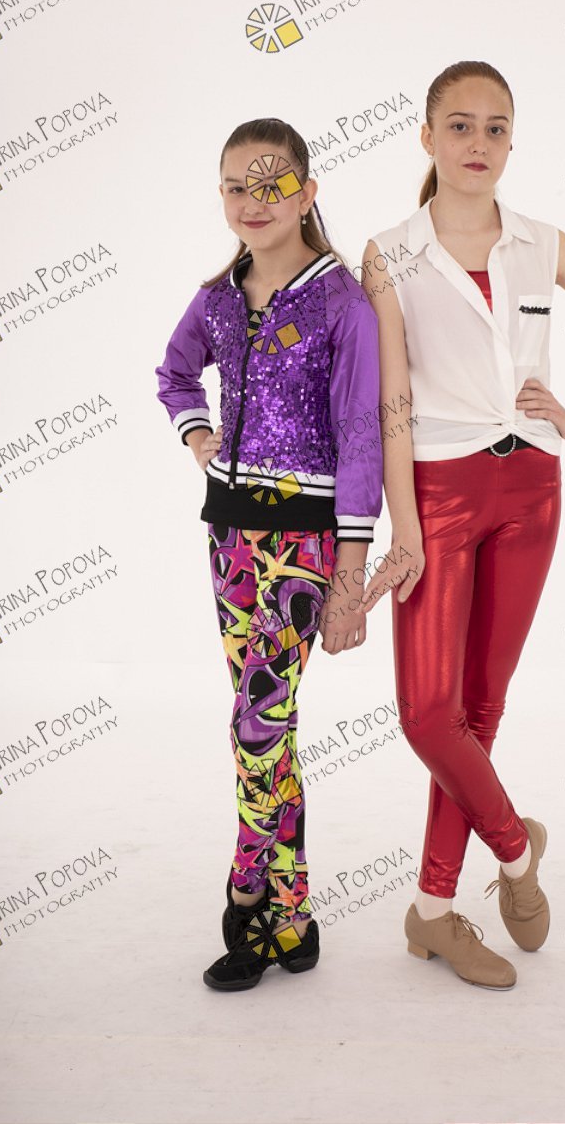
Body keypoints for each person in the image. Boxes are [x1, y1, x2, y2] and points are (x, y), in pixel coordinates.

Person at [359, 61, 565, 990]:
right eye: (459, 126)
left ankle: (430, 912)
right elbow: (391, 406)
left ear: (512, 141)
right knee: (428, 712)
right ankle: (516, 849)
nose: (479, 143)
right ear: (427, 137)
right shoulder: (390, 253)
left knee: (478, 709)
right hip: (439, 491)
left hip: (530, 488)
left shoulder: (542, 242)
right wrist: (404, 528)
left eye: (497, 127)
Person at [155, 117, 382, 991]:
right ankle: (296, 914)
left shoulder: (340, 302)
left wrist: (351, 569)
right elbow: (175, 372)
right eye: (236, 186)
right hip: (228, 536)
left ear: (306, 193)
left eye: (272, 184)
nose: (254, 201)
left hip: (305, 541)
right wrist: (198, 435)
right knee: (271, 727)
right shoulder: (218, 298)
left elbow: (360, 432)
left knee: (257, 720)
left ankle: (246, 893)